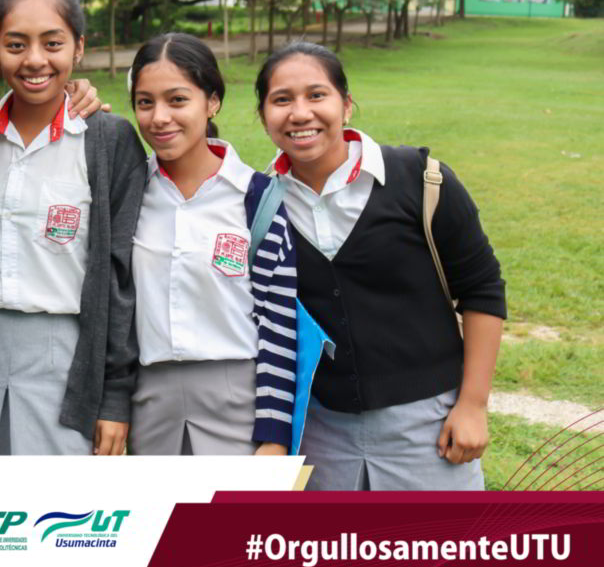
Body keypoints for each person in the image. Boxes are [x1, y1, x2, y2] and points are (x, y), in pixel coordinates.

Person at [254, 41, 505, 489]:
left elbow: (482, 289)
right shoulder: (260, 203)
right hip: (319, 432)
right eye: (282, 99)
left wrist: (473, 404)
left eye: (317, 95)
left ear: (346, 105)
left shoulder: (421, 180)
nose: (300, 113)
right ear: (263, 116)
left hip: (428, 428)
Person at [0, 0, 147, 455]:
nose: (34, 60)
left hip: (68, 358)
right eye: (16, 44)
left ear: (79, 48)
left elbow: (121, 276)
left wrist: (114, 396)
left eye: (52, 44)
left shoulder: (107, 141)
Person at [127, 33, 296, 456]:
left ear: (212, 102)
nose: (159, 118)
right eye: (145, 102)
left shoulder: (258, 199)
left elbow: (278, 324)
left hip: (240, 404)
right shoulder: (127, 193)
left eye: (177, 100)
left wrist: (274, 435)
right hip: (147, 404)